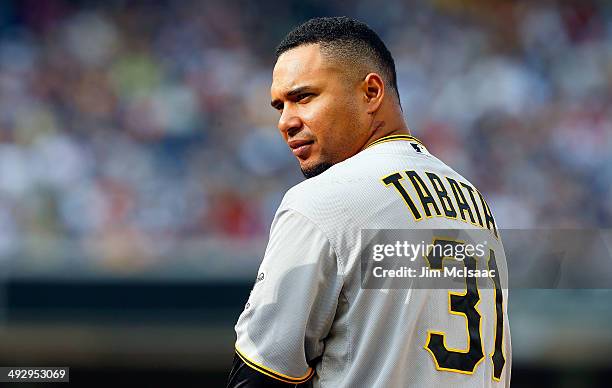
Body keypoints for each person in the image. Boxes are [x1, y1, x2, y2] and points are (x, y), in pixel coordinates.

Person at [227, 16, 511, 387]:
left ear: (371, 92)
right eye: (279, 106)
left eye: (303, 97)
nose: (285, 121)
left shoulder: (323, 200)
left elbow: (261, 375)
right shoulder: (474, 203)